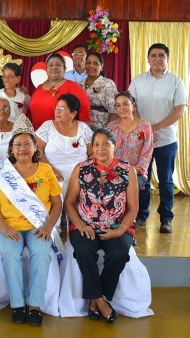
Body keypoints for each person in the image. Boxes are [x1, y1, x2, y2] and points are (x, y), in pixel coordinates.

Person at [0, 114, 62, 326]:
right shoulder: (2, 170)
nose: (22, 149)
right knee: (10, 253)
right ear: (11, 149)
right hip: (6, 226)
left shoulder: (46, 170)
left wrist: (48, 226)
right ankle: (18, 305)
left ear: (35, 147)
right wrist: (3, 227)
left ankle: (35, 305)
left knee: (41, 252)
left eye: (27, 144)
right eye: (17, 145)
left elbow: (57, 203)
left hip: (38, 225)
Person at [64, 128, 138, 324]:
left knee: (119, 253)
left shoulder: (128, 170)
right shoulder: (82, 168)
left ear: (115, 146)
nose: (101, 148)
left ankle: (96, 300)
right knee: (83, 250)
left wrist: (120, 230)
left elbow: (133, 208)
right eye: (96, 144)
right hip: (85, 226)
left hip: (117, 227)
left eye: (106, 143)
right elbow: (69, 203)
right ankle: (100, 300)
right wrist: (80, 223)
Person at [128, 43, 188, 233]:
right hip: (141, 142)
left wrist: (155, 128)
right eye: (153, 55)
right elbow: (130, 107)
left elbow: (180, 110)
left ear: (167, 59)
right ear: (148, 59)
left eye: (161, 55)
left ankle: (166, 218)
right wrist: (144, 130)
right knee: (142, 180)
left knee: (166, 180)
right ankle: (141, 216)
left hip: (167, 141)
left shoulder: (176, 82)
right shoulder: (137, 81)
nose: (157, 59)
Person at [35, 93, 93, 199]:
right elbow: (36, 151)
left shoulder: (83, 128)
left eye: (61, 108)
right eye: (56, 107)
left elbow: (93, 154)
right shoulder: (47, 126)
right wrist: (50, 170)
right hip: (51, 175)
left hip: (81, 178)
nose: (57, 111)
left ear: (73, 113)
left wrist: (86, 174)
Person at [107, 91, 153, 197]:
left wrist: (130, 171)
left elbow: (147, 153)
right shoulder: (111, 127)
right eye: (118, 105)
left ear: (133, 106)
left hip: (137, 173)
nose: (122, 108)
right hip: (114, 171)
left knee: (124, 184)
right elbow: (107, 152)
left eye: (125, 104)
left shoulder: (144, 125)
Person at [29, 53, 91, 130]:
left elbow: (84, 109)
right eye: (51, 65)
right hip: (37, 136)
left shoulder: (72, 86)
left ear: (64, 69)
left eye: (58, 65)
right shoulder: (39, 88)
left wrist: (83, 132)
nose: (54, 67)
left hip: (61, 136)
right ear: (46, 69)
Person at [81, 52, 118, 130]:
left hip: (102, 128)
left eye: (95, 63)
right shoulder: (79, 85)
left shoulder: (107, 84)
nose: (91, 66)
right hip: (83, 128)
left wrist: (107, 131)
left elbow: (114, 111)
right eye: (88, 63)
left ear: (101, 67)